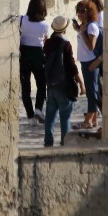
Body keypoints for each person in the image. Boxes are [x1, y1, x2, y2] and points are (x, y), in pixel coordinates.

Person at [43, 16, 84, 147]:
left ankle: (48, 141)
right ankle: (65, 142)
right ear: (65, 30)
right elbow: (72, 66)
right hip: (64, 85)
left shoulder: (48, 43)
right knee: (65, 116)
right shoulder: (66, 44)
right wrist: (81, 83)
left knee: (50, 116)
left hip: (50, 84)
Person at [19, 0, 50, 122]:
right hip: (38, 53)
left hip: (25, 53)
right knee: (41, 84)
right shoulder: (45, 25)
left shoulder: (21, 19)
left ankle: (30, 116)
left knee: (25, 87)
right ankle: (38, 109)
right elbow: (46, 42)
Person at [73, 0, 100, 129]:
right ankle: (94, 120)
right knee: (91, 91)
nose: (79, 14)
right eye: (78, 11)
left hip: (90, 61)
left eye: (82, 11)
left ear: (89, 12)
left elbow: (91, 46)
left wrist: (82, 33)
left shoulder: (92, 27)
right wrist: (79, 30)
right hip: (85, 61)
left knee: (91, 91)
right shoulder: (85, 26)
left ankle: (88, 120)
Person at [84, 0, 104, 111]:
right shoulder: (100, 15)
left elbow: (96, 39)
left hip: (99, 55)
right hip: (99, 54)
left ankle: (95, 112)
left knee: (97, 87)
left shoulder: (99, 17)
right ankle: (94, 113)